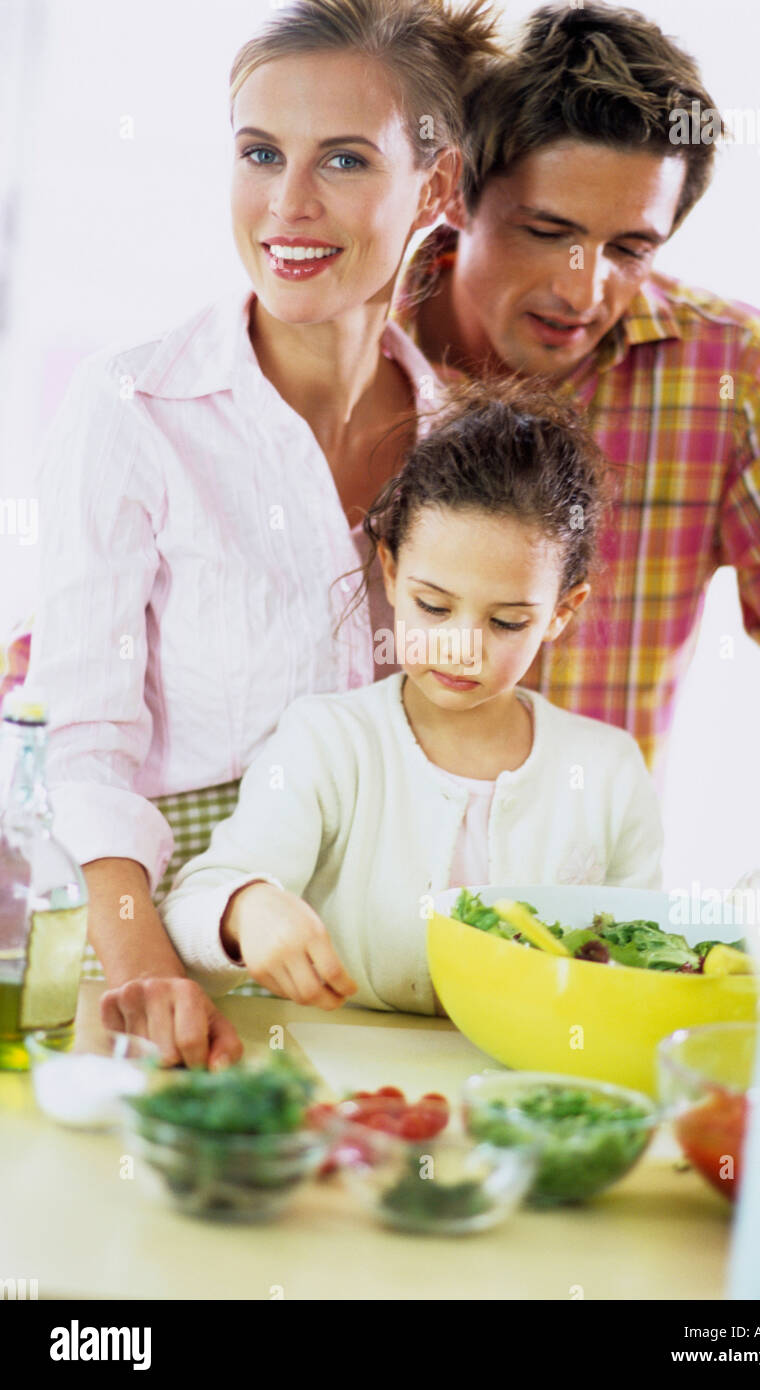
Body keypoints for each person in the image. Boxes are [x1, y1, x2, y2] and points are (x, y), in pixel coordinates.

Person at [20, 0, 499, 1066]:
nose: (287, 205)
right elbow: (84, 743)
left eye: (340, 160)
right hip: (154, 958)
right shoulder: (132, 407)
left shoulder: (466, 450)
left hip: (378, 968)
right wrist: (146, 968)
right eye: (258, 153)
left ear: (436, 188)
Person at [393, 2, 760, 794]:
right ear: (455, 192)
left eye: (631, 248)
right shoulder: (342, 348)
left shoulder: (739, 376)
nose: (583, 288)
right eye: (545, 231)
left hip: (586, 899)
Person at [160, 377, 663, 1012]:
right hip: (346, 1088)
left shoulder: (609, 770)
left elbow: (644, 964)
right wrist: (245, 909)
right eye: (433, 606)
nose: (461, 647)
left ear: (563, 611)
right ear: (391, 573)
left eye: (506, 622)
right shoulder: (329, 743)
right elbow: (196, 903)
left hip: (530, 1095)